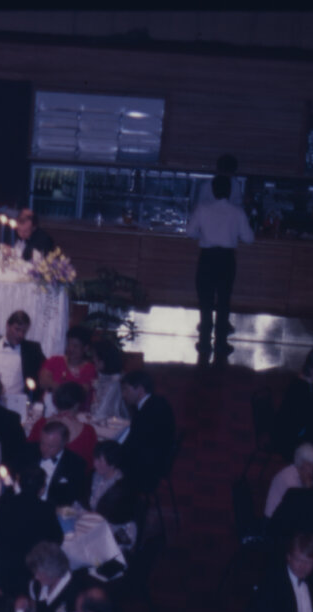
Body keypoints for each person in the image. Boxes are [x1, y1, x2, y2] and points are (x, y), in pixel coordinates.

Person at [184, 173, 254, 357]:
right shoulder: (237, 211)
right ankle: (221, 344)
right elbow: (248, 238)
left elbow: (190, 232)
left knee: (205, 301)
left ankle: (204, 343)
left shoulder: (202, 208)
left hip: (207, 257)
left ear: (212, 190)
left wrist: (205, 235)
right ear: (230, 191)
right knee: (223, 301)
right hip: (226, 258)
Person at [115, 371, 177, 494]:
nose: (123, 394)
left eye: (126, 389)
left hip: (146, 469)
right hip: (156, 460)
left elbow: (133, 447)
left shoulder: (147, 413)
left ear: (140, 389)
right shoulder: (157, 402)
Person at [274, 349, 313, 460]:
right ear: (312, 367)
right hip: (291, 438)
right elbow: (300, 420)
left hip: (302, 433)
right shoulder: (298, 388)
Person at [0, 311, 45, 397]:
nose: (21, 335)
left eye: (24, 332)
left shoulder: (32, 349)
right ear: (7, 326)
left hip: (13, 404)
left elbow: (45, 371)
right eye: (17, 329)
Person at [29, 382, 98, 466]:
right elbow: (91, 464)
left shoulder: (40, 424)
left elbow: (29, 454)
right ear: (77, 404)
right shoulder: (88, 431)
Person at [22, 540, 88, 612]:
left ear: (53, 572)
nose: (36, 577)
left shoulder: (78, 591)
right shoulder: (36, 585)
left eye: (40, 573)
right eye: (35, 572)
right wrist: (26, 606)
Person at [86, 440, 140, 530]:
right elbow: (81, 505)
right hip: (90, 521)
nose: (95, 463)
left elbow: (114, 520)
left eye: (100, 461)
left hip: (113, 529)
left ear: (112, 464)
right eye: (95, 458)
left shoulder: (123, 489)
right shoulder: (93, 475)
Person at [34, 420, 88, 510]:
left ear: (63, 444)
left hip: (53, 512)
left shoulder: (76, 464)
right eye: (42, 443)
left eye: (51, 446)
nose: (44, 449)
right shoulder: (29, 451)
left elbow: (74, 497)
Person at [37, 324, 97, 402]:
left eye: (75, 346)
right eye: (69, 344)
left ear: (85, 348)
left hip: (79, 412)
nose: (70, 349)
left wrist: (55, 385)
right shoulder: (54, 361)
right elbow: (42, 382)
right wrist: (70, 389)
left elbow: (82, 393)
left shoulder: (91, 369)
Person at [266, 442, 313, 519]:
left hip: (287, 519)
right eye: (309, 465)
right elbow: (302, 506)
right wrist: (308, 487)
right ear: (300, 463)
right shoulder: (288, 477)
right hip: (273, 521)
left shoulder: (306, 475)